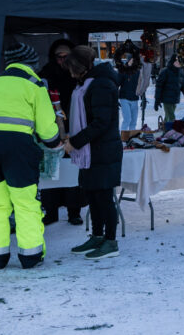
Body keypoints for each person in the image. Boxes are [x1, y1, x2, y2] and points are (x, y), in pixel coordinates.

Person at [0, 43, 61, 270]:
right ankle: (30, 256)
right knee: (25, 203)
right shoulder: (34, 85)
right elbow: (46, 128)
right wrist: (54, 142)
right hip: (17, 148)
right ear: (32, 64)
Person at [64, 45, 123, 259]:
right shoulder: (87, 84)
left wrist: (75, 142)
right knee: (92, 195)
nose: (71, 74)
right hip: (92, 150)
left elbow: (101, 122)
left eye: (73, 68)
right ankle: (97, 236)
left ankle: (111, 241)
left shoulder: (101, 85)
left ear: (83, 67)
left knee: (104, 197)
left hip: (103, 150)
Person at [37, 39, 85, 226]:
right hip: (50, 128)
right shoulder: (46, 74)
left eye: (67, 56)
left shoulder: (78, 75)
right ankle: (50, 210)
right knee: (51, 168)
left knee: (73, 168)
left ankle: (74, 211)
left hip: (75, 126)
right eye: (59, 56)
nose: (63, 60)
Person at [153, 55, 184, 123]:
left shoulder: (180, 73)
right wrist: (157, 100)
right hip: (166, 99)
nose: (179, 63)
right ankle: (171, 131)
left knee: (168, 117)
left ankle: (164, 128)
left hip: (174, 99)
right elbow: (159, 86)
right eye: (177, 61)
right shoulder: (165, 72)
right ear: (173, 62)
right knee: (171, 118)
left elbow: (183, 86)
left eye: (180, 62)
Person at [116, 51, 142, 132]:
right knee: (127, 119)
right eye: (132, 60)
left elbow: (140, 85)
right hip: (124, 98)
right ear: (129, 60)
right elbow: (116, 84)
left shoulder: (138, 71)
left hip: (134, 98)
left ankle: (131, 137)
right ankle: (123, 137)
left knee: (133, 121)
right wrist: (115, 98)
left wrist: (143, 97)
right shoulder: (123, 71)